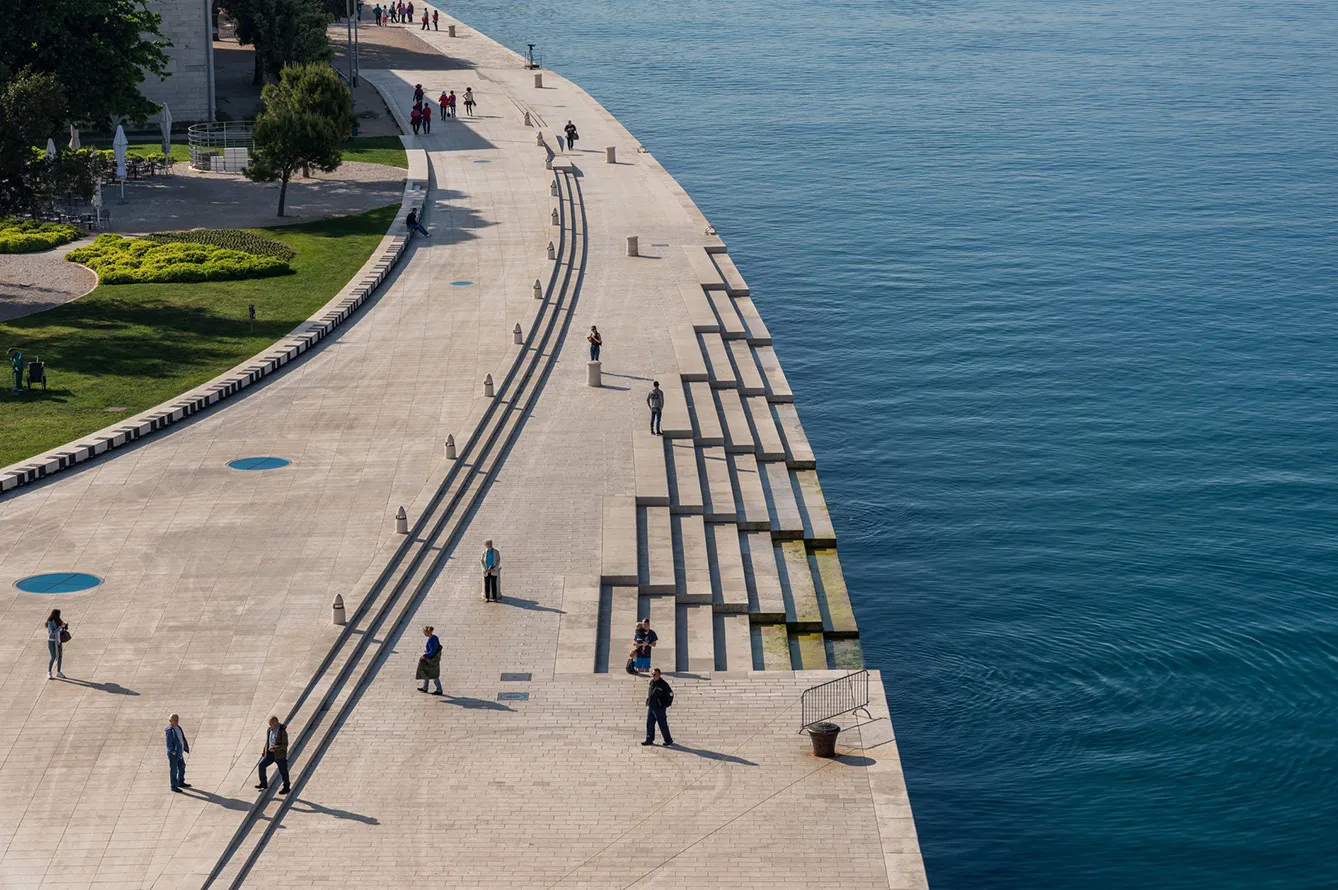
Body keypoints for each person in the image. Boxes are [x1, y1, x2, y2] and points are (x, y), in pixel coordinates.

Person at [256, 716, 291, 795]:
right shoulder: (269, 730)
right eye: (269, 723)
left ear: (275, 723)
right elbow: (268, 741)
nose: (269, 725)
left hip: (279, 755)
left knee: (283, 771)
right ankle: (263, 783)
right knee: (261, 765)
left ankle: (286, 787)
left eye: (271, 723)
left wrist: (275, 748)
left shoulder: (282, 731)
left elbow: (285, 744)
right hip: (270, 754)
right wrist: (264, 750)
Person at [642, 668, 674, 746]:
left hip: (659, 708)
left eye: (655, 675)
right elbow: (650, 693)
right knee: (649, 723)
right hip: (651, 707)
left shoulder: (663, 684)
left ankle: (668, 740)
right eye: (652, 674)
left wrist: (666, 704)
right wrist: (648, 700)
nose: (653, 676)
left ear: (659, 675)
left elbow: (671, 694)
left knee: (662, 724)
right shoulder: (652, 682)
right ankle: (649, 739)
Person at [166, 714, 191, 792]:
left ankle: (180, 782)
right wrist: (172, 751)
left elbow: (181, 738)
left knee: (182, 766)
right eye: (175, 720)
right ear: (170, 721)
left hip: (179, 752)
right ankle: (173, 786)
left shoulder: (178, 727)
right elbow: (168, 742)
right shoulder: (169, 730)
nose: (177, 721)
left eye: (177, 719)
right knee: (174, 770)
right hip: (174, 753)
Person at [417, 626, 443, 694]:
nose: (424, 634)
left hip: (432, 660)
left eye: (424, 633)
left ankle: (439, 690)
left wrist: (424, 655)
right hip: (433, 659)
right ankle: (425, 688)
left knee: (434, 675)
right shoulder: (434, 637)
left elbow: (432, 651)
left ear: (427, 633)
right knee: (426, 672)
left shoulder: (431, 640)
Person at [45, 608, 67, 679]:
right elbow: (52, 632)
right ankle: (49, 671)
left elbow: (62, 626)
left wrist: (64, 626)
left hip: (58, 641)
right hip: (52, 641)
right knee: (53, 656)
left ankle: (58, 671)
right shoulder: (50, 622)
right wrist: (59, 628)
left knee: (60, 656)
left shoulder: (58, 620)